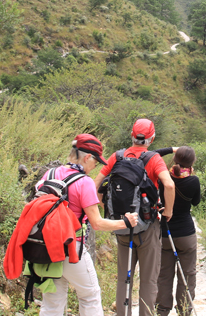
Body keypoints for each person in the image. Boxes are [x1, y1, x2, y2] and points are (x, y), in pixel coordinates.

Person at [36, 133, 140, 316]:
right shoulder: (84, 182)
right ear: (87, 157)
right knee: (90, 295)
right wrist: (125, 222)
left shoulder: (50, 173)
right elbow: (97, 223)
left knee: (52, 302)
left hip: (45, 246)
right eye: (96, 162)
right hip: (70, 247)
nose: (95, 166)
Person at [94, 119, 175, 316]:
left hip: (122, 225)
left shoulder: (117, 157)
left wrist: (108, 209)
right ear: (152, 137)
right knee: (148, 279)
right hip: (147, 225)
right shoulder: (154, 158)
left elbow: (95, 186)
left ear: (132, 135)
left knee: (124, 278)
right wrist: (168, 212)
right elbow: (169, 185)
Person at [156, 146, 201, 316]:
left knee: (164, 275)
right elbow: (196, 202)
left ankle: (161, 310)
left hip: (165, 232)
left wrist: (170, 149)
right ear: (191, 164)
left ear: (175, 160)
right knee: (187, 274)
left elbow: (151, 155)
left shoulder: (162, 178)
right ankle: (184, 310)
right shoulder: (193, 181)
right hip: (186, 234)